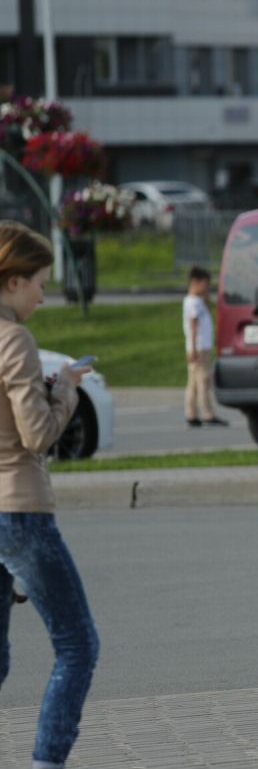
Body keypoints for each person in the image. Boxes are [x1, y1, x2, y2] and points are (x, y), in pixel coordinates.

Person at [0, 221, 100, 769]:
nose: (44, 292)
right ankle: (46, 761)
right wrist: (64, 390)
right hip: (18, 508)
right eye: (39, 281)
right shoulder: (13, 337)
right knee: (77, 644)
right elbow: (37, 435)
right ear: (13, 281)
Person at [183, 266, 226, 428]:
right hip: (199, 348)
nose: (207, 288)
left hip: (200, 347)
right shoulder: (193, 303)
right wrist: (193, 348)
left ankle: (192, 414)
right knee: (203, 381)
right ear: (196, 282)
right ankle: (208, 414)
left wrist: (206, 297)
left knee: (194, 382)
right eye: (206, 285)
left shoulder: (196, 301)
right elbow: (193, 327)